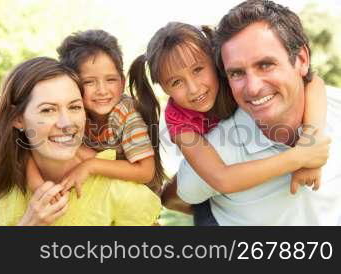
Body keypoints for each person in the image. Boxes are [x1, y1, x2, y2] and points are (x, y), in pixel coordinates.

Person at [128, 22, 330, 225]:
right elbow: (221, 179)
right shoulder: (177, 119)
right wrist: (301, 158)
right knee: (179, 193)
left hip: (237, 161)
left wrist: (310, 141)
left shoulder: (234, 78)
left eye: (198, 69)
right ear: (164, 88)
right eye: (176, 82)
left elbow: (312, 82)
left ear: (215, 61)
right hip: (210, 175)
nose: (193, 88)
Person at [172, 0, 341, 225]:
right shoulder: (220, 149)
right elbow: (175, 198)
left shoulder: (332, 107)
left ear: (301, 59)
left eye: (265, 65)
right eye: (237, 73)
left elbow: (315, 81)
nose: (252, 87)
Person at [0, 57, 161, 226]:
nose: (67, 124)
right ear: (17, 119)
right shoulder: (1, 180)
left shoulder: (119, 191)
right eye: (48, 110)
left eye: (74, 107)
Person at [27, 29, 167, 198]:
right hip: (101, 187)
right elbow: (27, 150)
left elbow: (146, 172)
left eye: (110, 80)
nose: (102, 90)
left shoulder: (126, 113)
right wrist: (39, 188)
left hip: (136, 192)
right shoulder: (71, 111)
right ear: (72, 84)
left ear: (122, 83)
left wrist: (90, 165)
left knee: (77, 151)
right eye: (89, 82)